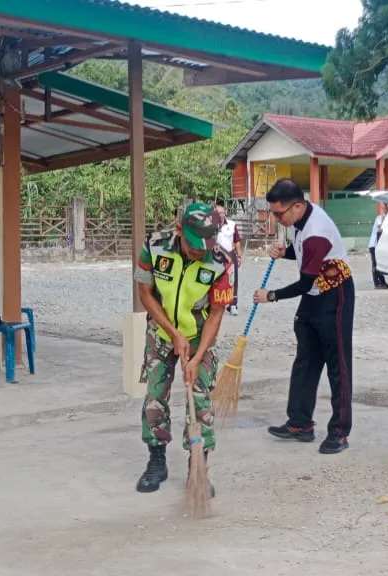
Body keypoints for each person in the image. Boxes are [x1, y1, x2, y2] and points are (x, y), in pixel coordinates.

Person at [134, 202, 234, 494]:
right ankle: (156, 460)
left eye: (205, 247)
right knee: (155, 395)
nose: (200, 252)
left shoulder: (221, 261)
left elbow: (216, 313)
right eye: (194, 247)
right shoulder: (154, 246)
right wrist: (173, 333)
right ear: (179, 230)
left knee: (200, 401)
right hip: (162, 331)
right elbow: (145, 293)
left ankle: (197, 466)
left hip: (200, 334)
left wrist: (197, 356)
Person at [253, 178, 355, 455]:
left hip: (335, 295)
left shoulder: (316, 231)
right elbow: (304, 255)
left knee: (338, 363)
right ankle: (300, 423)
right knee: (305, 359)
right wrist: (285, 252)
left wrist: (272, 295)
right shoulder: (301, 222)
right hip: (314, 293)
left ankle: (339, 432)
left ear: (297, 206)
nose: (277, 219)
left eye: (279, 214)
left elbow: (304, 282)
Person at [214, 199, 242, 315]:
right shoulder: (210, 225)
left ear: (225, 212)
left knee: (232, 279)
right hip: (215, 255)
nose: (220, 215)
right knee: (216, 279)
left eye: (222, 213)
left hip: (230, 255)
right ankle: (215, 302)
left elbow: (237, 241)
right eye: (218, 213)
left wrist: (239, 256)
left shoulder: (232, 224)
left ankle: (233, 304)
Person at [369, 207, 388, 289]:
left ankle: (383, 282)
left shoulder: (385, 218)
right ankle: (377, 284)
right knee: (375, 265)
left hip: (379, 245)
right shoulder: (380, 218)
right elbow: (379, 228)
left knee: (380, 264)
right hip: (374, 245)